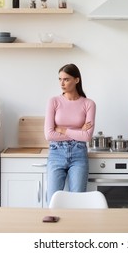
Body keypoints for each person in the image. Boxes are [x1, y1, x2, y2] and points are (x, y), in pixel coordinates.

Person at [44, 63, 96, 204]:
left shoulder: (88, 104)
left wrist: (62, 129)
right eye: (60, 79)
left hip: (79, 154)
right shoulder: (54, 101)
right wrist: (79, 131)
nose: (62, 83)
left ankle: (76, 227)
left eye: (66, 79)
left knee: (77, 202)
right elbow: (49, 135)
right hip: (56, 153)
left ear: (76, 80)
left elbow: (87, 137)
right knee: (53, 201)